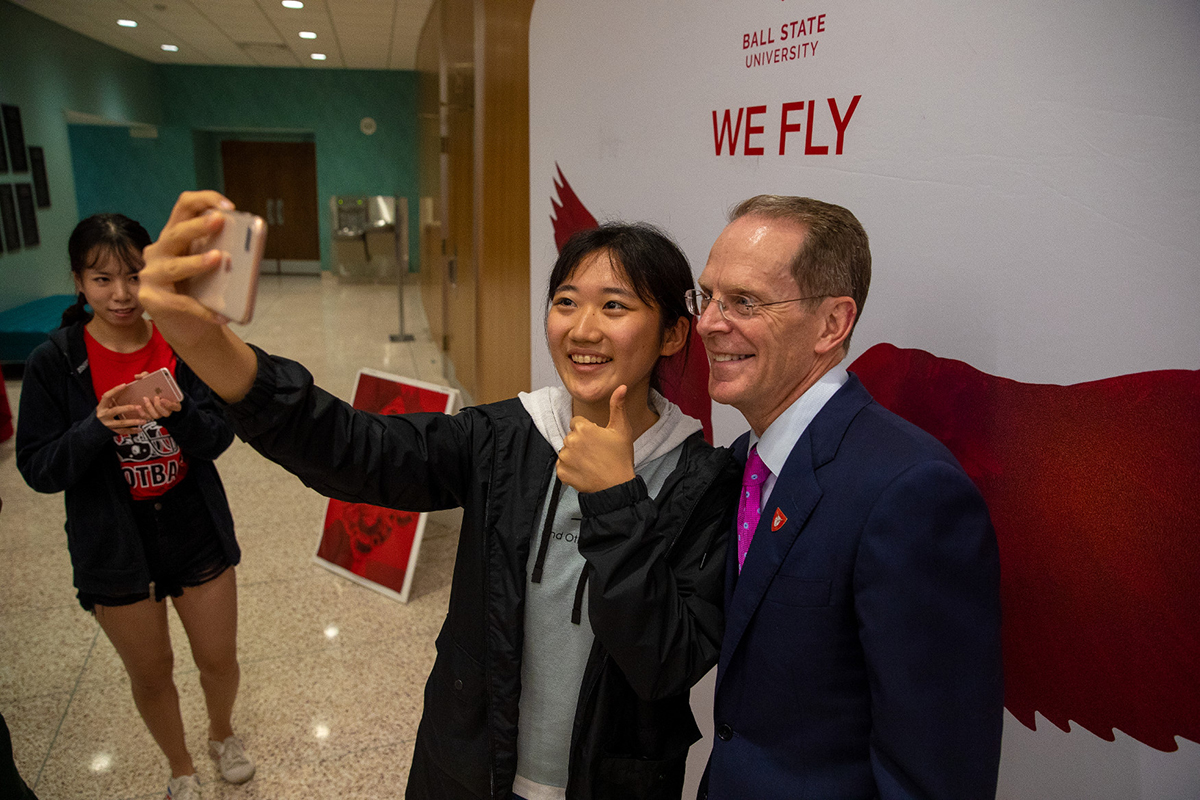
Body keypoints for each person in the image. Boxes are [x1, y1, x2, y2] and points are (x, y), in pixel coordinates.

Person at [137, 191, 740, 800]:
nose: (582, 329)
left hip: (614, 782)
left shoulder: (702, 481)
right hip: (471, 767)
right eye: (565, 301)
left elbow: (667, 663)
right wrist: (204, 343)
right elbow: (357, 450)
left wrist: (615, 499)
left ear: (672, 334)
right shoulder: (506, 436)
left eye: (614, 306)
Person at [690, 195, 1003, 799]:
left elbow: (935, 770)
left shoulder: (911, 492)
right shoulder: (744, 464)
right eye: (708, 297)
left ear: (832, 325)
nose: (708, 323)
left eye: (745, 302)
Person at [15, 214, 255, 800]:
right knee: (151, 673)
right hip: (112, 541)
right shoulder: (55, 361)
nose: (121, 294)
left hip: (192, 524)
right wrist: (97, 426)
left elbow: (218, 438)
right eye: (102, 279)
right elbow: (39, 468)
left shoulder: (179, 339)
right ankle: (180, 767)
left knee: (218, 658)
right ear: (78, 281)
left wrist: (180, 412)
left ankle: (222, 734)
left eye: (133, 276)